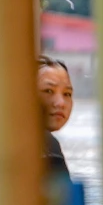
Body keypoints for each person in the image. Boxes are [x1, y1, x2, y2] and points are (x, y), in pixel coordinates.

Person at [37, 55, 73, 183]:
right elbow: (67, 202)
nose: (60, 103)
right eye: (48, 91)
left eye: (67, 94)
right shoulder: (45, 144)